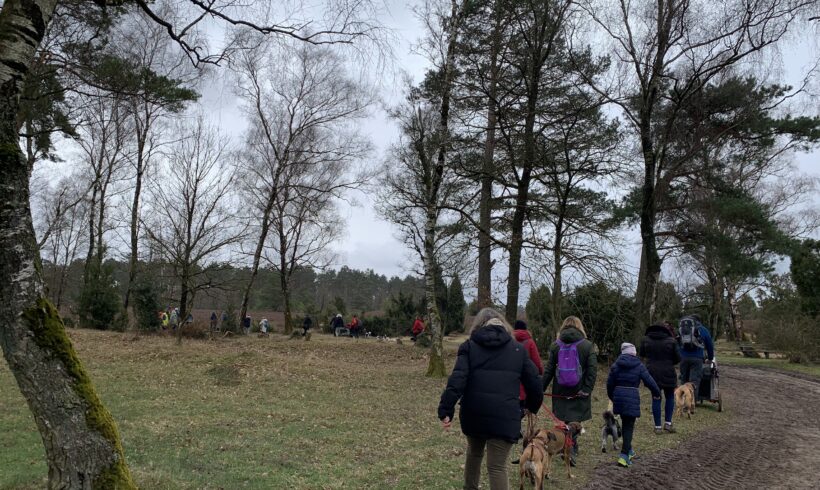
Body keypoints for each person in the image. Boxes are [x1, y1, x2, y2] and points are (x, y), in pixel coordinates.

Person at [438, 308, 543, 490]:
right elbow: (535, 383)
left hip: (474, 412)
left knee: (474, 454)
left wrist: (446, 409)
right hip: (505, 415)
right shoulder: (518, 349)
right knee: (497, 467)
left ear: (478, 325)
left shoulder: (469, 347)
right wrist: (531, 407)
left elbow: (457, 380)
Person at [541, 316, 597, 466]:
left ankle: (568, 445)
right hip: (578, 390)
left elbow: (548, 371)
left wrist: (540, 388)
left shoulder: (556, 345)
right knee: (575, 421)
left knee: (564, 420)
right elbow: (592, 370)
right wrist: (586, 389)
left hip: (560, 390)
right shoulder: (587, 345)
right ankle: (570, 448)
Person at [606, 342, 661, 468]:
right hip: (632, 397)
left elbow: (609, 384)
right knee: (628, 426)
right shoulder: (639, 365)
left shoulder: (616, 365)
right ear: (633, 352)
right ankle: (624, 456)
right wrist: (657, 393)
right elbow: (649, 381)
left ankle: (629, 450)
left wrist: (612, 397)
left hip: (619, 397)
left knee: (626, 424)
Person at [510, 319, 543, 465]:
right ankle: (517, 432)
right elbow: (537, 364)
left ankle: (514, 429)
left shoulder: (508, 340)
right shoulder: (529, 342)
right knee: (523, 412)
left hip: (509, 385)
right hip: (524, 386)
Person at [640, 323, 681, 434]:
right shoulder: (672, 341)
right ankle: (668, 423)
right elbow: (678, 358)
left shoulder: (646, 340)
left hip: (652, 373)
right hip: (668, 372)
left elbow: (642, 354)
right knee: (670, 397)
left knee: (656, 397)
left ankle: (657, 426)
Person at [678, 314, 715, 400]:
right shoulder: (703, 329)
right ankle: (691, 402)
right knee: (694, 381)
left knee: (684, 379)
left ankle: (682, 400)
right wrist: (710, 358)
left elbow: (678, 342)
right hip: (697, 358)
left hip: (683, 358)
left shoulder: (682, 329)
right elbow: (709, 345)